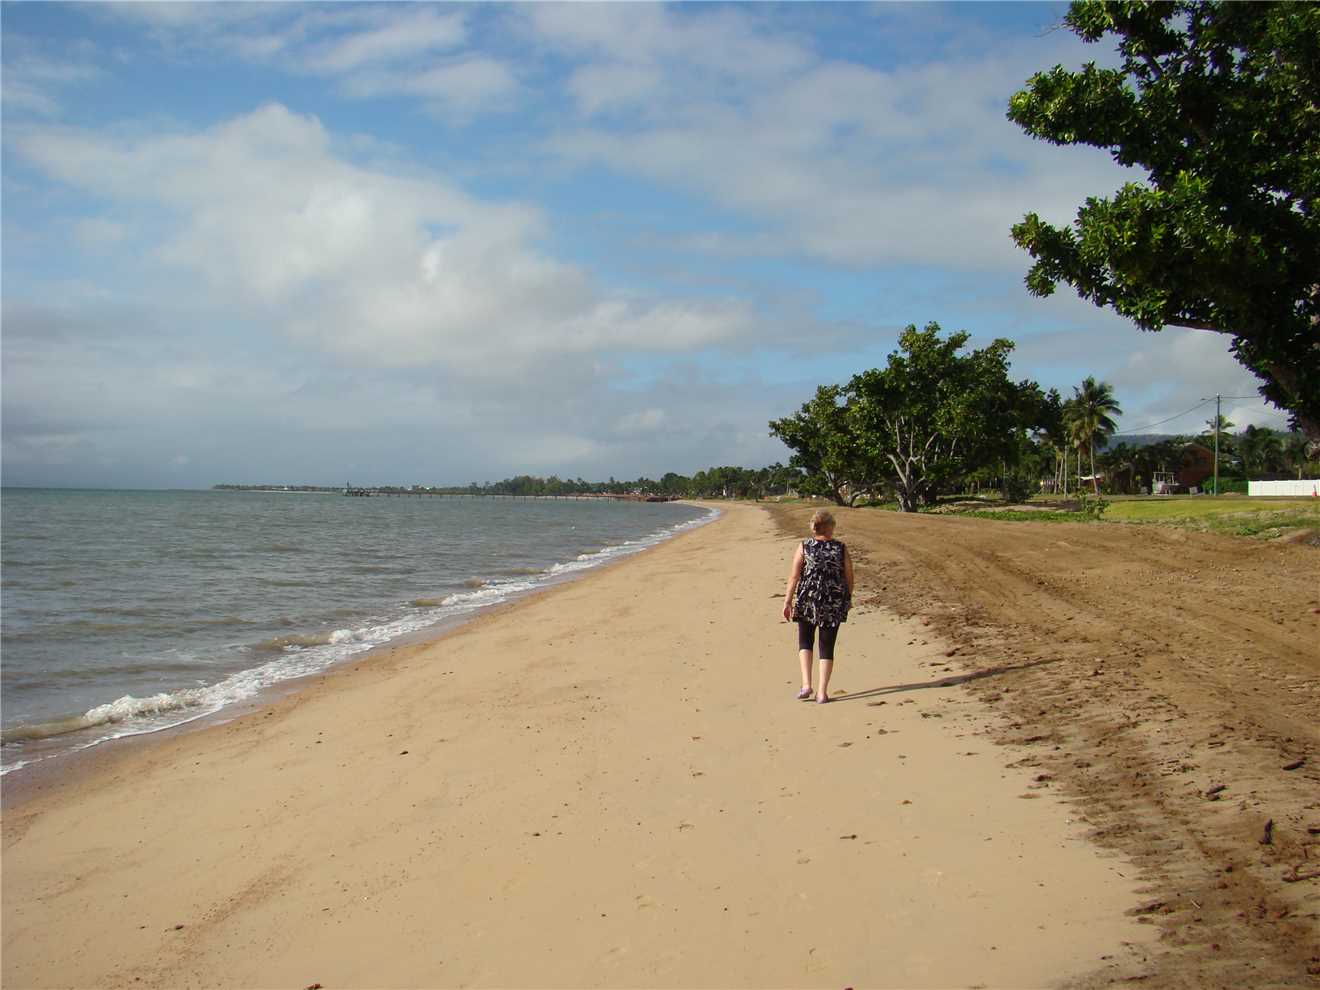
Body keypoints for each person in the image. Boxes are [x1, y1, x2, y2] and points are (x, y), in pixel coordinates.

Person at [781, 508, 854, 703]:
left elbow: (794, 576)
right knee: (826, 645)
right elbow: (849, 576)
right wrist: (847, 598)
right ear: (830, 527)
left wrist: (787, 601)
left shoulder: (805, 546)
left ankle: (806, 684)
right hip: (833, 601)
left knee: (805, 641)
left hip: (807, 599)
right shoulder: (840, 548)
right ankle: (822, 692)